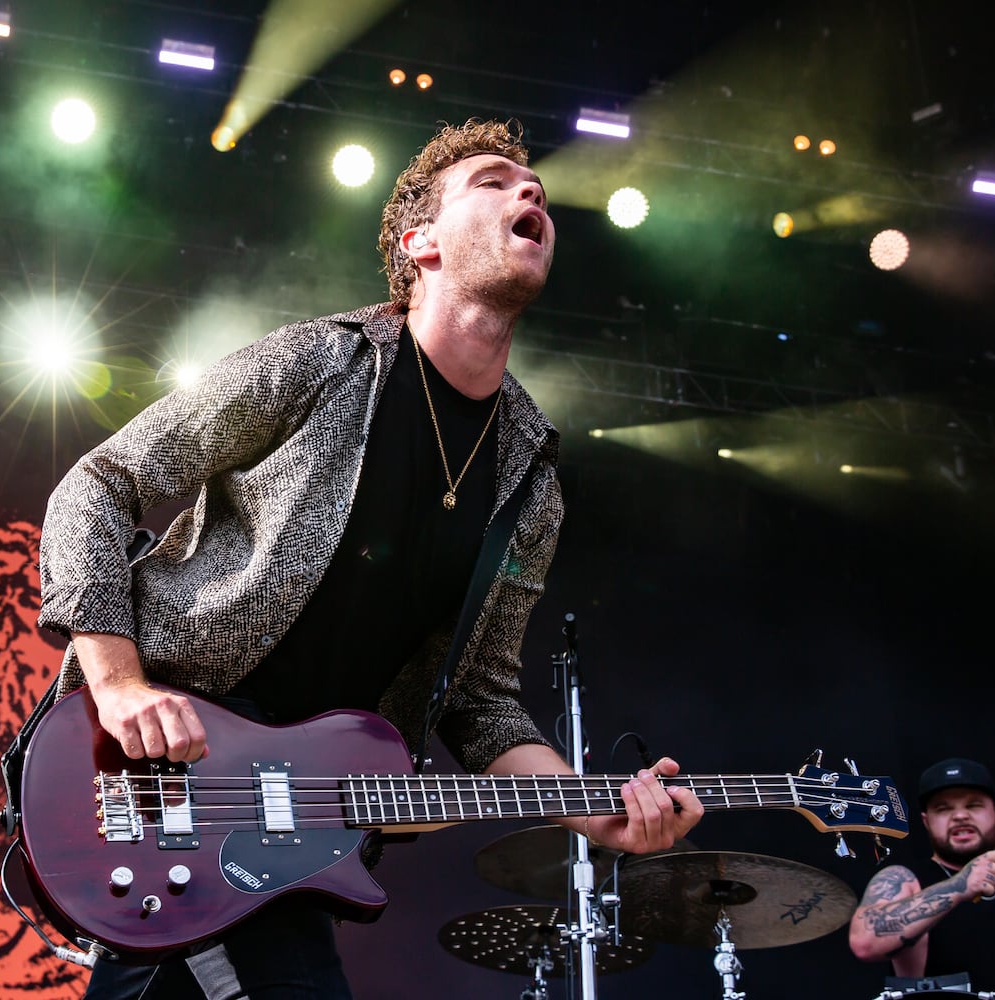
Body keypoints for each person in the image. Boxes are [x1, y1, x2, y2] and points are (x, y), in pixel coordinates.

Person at [35, 118, 704, 998]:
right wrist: (119, 686)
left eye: (532, 184)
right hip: (172, 764)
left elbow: (483, 703)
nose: (531, 191)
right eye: (493, 181)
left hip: (294, 826)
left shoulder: (530, 477)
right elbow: (100, 481)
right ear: (418, 242)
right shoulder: (320, 362)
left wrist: (594, 813)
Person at [849, 757, 995, 995]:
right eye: (943, 809)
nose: (960, 816)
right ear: (926, 822)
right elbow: (865, 942)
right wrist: (961, 886)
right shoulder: (903, 879)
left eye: (973, 805)